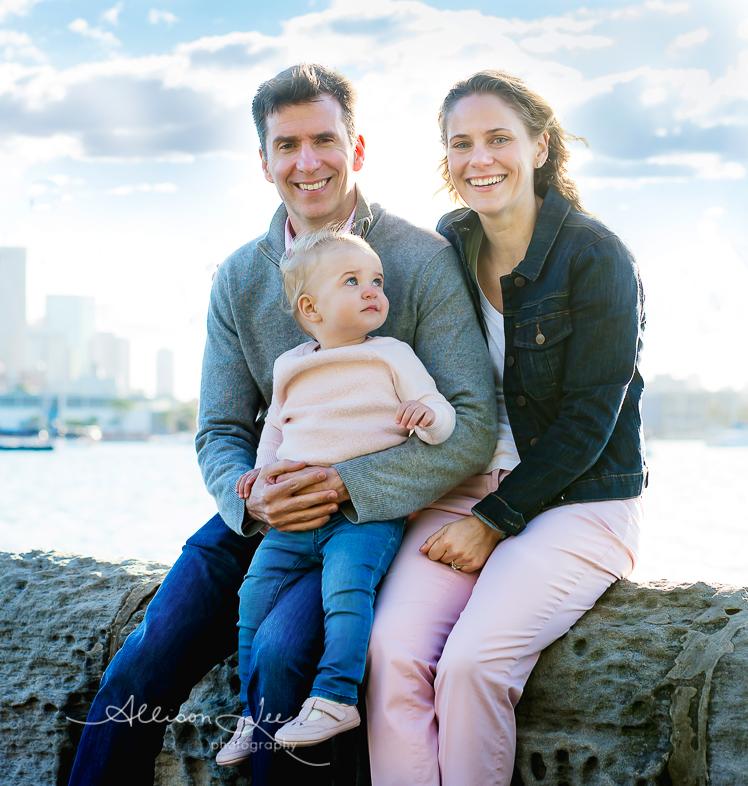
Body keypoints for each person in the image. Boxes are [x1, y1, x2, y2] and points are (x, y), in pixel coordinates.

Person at [66, 63, 496, 785]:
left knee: (277, 653)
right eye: (287, 146)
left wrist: (343, 486)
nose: (308, 162)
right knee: (139, 665)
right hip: (259, 510)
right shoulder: (240, 277)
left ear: (356, 149)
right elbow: (219, 429)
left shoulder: (419, 261)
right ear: (263, 162)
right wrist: (246, 494)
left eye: (324, 140)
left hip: (363, 517)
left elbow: (473, 424)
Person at [364, 69, 646, 786]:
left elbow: (590, 419)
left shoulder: (596, 256)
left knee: (473, 664)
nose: (479, 159)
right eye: (461, 144)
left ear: (541, 147)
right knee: (391, 654)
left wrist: (494, 520)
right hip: (460, 490)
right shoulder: (448, 248)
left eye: (499, 139)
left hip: (576, 501)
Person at [216, 229, 457, 767]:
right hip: (295, 514)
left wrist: (429, 418)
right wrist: (259, 479)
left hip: (364, 515)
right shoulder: (291, 365)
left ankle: (336, 696)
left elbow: (442, 414)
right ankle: (252, 712)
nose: (371, 289)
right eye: (352, 281)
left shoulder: (392, 355)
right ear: (310, 307)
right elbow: (275, 431)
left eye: (376, 280)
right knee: (253, 594)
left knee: (347, 593)